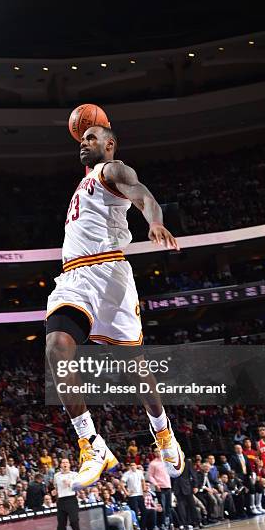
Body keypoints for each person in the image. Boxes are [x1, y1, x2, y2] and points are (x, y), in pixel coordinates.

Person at [45, 124, 184, 490]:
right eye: (81, 139)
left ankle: (163, 432)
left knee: (134, 367)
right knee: (56, 349)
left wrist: (154, 221)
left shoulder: (114, 169)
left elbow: (143, 194)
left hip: (109, 273)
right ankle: (91, 445)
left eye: (91, 138)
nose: (83, 144)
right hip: (72, 277)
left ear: (110, 144)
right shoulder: (86, 180)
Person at [53, 459, 83, 530]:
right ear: (60, 465)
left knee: (74, 523)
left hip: (71, 500)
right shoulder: (56, 475)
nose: (65, 464)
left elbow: (79, 487)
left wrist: (70, 483)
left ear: (69, 464)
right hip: (61, 501)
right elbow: (55, 488)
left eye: (67, 462)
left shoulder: (74, 474)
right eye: (63, 462)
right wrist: (53, 492)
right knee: (61, 528)